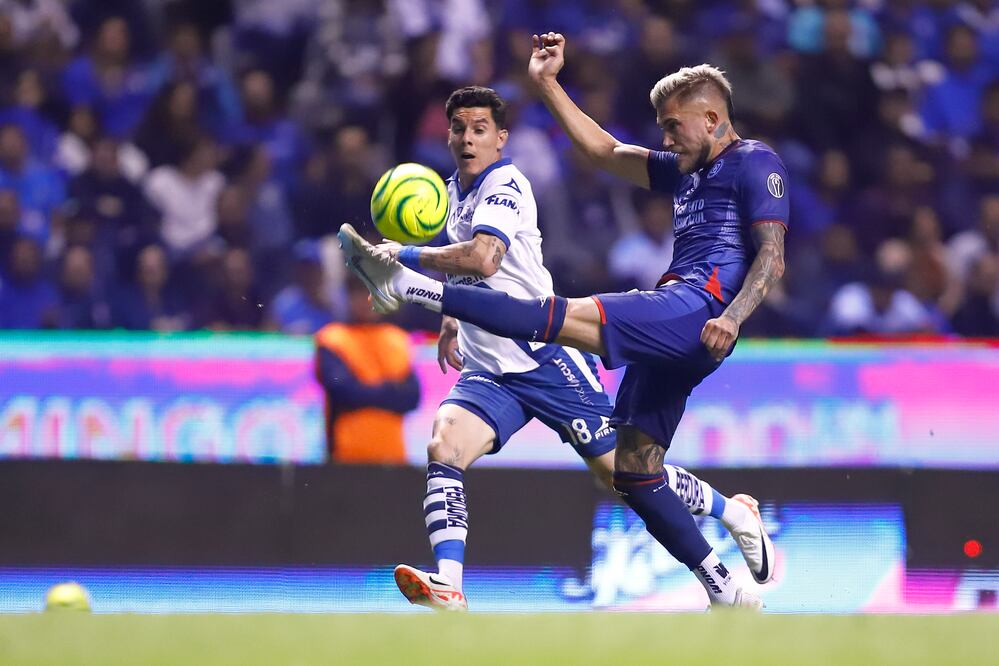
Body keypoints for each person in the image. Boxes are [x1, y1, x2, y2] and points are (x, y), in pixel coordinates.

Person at [341, 36, 788, 610]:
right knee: (632, 473)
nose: (665, 138)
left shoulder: (755, 161)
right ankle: (728, 581)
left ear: (711, 117)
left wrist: (731, 315)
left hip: (695, 309)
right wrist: (548, 83)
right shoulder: (685, 171)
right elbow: (604, 151)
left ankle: (404, 284)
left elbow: (773, 256)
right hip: (649, 335)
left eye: (673, 126)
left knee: (557, 318)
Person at [314, 275, 420, 464]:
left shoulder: (397, 339)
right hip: (345, 455)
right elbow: (342, 392)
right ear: (348, 297)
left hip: (393, 455)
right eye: (359, 293)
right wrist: (390, 390)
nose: (366, 300)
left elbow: (412, 397)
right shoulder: (332, 339)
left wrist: (364, 392)